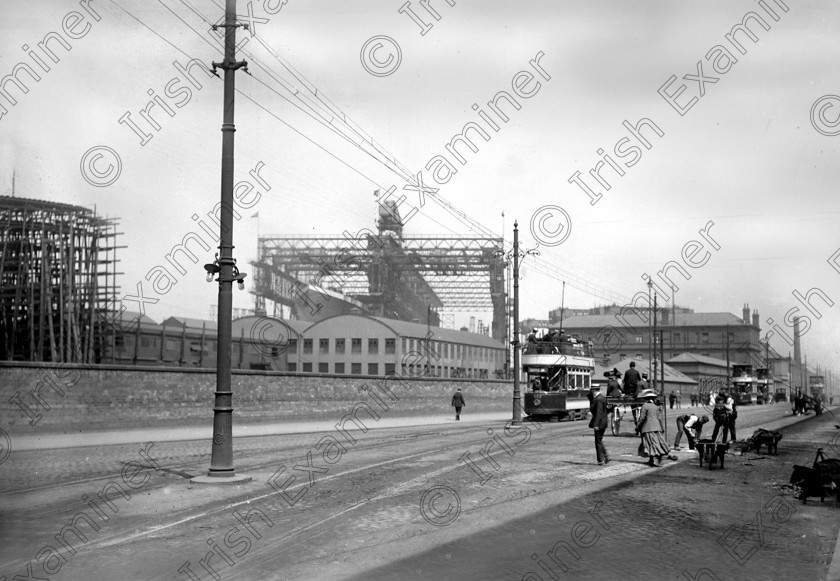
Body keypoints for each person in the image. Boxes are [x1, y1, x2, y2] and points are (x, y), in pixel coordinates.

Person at [635, 389, 671, 467]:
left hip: (648, 428)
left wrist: (637, 427)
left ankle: (655, 460)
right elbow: (660, 418)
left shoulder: (645, 406)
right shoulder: (656, 406)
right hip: (657, 427)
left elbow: (642, 418)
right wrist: (662, 427)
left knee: (649, 444)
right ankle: (653, 460)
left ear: (645, 399)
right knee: (656, 443)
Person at [588, 384, 609, 465]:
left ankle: (601, 459)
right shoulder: (600, 397)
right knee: (599, 440)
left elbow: (599, 413)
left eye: (591, 390)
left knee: (598, 441)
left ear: (594, 390)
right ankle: (605, 457)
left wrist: (596, 424)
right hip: (602, 422)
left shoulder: (599, 399)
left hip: (600, 423)